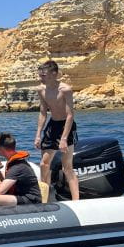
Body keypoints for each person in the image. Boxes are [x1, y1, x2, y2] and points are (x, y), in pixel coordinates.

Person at [35, 60, 80, 201]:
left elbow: (70, 115)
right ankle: (45, 199)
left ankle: (77, 201)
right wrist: (38, 135)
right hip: (52, 126)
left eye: (43, 75)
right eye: (40, 75)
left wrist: (64, 138)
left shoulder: (65, 89)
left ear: (54, 74)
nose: (41, 78)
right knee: (44, 164)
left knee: (67, 167)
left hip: (66, 126)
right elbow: (43, 112)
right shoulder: (41, 90)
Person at [0, 132, 42, 207]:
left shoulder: (17, 166)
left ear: (1, 148)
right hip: (21, 195)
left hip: (32, 200)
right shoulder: (14, 162)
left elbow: (0, 190)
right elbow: (6, 184)